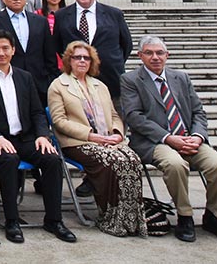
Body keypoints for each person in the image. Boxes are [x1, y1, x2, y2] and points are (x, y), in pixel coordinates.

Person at [121, 36, 217, 243]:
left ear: (167, 55)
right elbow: (134, 117)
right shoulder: (130, 80)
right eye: (149, 53)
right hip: (155, 141)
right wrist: (168, 138)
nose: (155, 57)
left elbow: (198, 112)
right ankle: (185, 216)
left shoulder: (181, 78)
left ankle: (214, 217)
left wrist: (197, 136)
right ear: (140, 56)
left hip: (189, 139)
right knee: (175, 164)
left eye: (160, 53)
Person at [0, 31, 77, 244]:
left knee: (52, 160)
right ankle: (12, 221)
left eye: (5, 48)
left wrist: (43, 135)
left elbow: (37, 112)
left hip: (25, 138)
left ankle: (54, 220)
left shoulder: (24, 77)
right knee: (9, 160)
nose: (1, 53)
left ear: (13, 50)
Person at [48, 41, 146, 237]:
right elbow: (59, 121)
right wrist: (90, 135)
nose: (82, 61)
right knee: (112, 161)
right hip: (78, 141)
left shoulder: (100, 85)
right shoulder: (58, 85)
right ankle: (111, 217)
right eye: (77, 57)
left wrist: (118, 134)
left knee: (132, 160)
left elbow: (114, 114)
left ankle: (132, 218)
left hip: (109, 139)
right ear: (69, 60)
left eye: (86, 58)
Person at [54, 0, 132, 102]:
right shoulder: (61, 15)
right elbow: (58, 45)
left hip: (110, 78)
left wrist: (112, 61)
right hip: (76, 80)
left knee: (114, 117)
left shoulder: (114, 14)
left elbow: (126, 44)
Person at [0, 0, 61, 96]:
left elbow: (49, 54)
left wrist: (50, 79)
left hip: (39, 82)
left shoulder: (40, 21)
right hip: (8, 81)